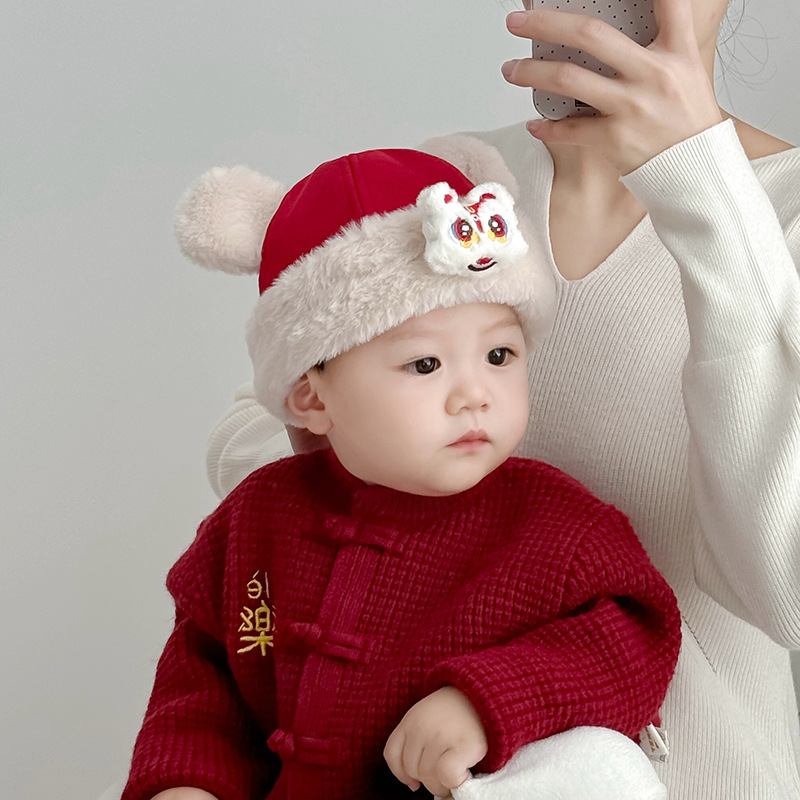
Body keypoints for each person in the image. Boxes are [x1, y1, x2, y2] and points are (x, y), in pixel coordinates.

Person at [205, 1, 800, 798]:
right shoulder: (460, 189)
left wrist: (705, 185)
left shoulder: (779, 212)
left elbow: (784, 589)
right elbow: (266, 422)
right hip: (407, 771)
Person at [121, 149, 681, 800]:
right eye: (424, 365)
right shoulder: (258, 518)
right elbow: (203, 681)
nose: (474, 394)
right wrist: (186, 782)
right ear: (312, 398)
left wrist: (487, 703)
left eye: (499, 354)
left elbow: (633, 641)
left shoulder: (556, 526)